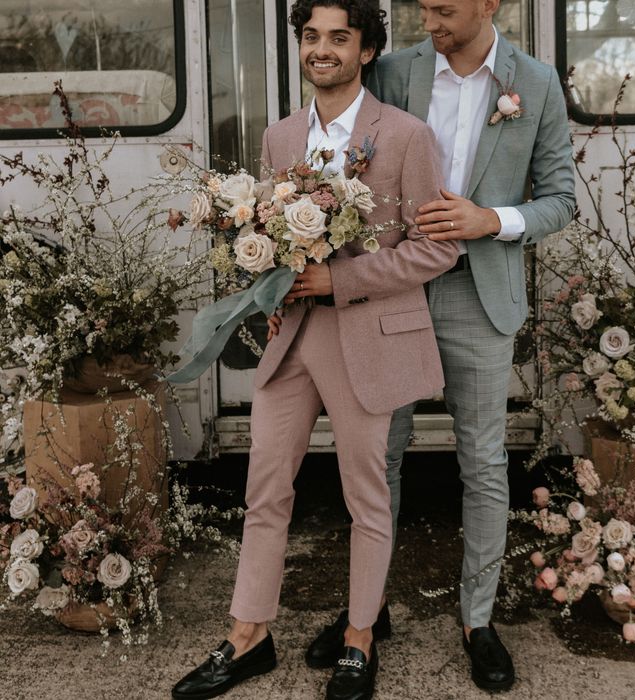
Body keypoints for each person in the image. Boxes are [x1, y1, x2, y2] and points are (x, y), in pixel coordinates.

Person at [171, 2, 458, 699]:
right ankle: (249, 635)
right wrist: (273, 292)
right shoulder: (277, 138)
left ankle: (360, 638)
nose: (321, 49)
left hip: (366, 338)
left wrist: (342, 278)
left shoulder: (408, 136)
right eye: (310, 37)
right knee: (265, 487)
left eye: (339, 38)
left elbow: (438, 246)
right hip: (292, 339)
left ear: (365, 52)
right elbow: (274, 244)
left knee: (367, 498)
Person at [305, 0, 575, 692]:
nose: (429, 21)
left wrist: (493, 218)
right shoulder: (393, 72)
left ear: (492, 4)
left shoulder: (536, 83)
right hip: (390, 289)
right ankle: (369, 613)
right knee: (378, 458)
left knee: (483, 462)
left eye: (444, 9)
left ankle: (477, 620)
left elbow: (561, 199)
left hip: (478, 296)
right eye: (423, 7)